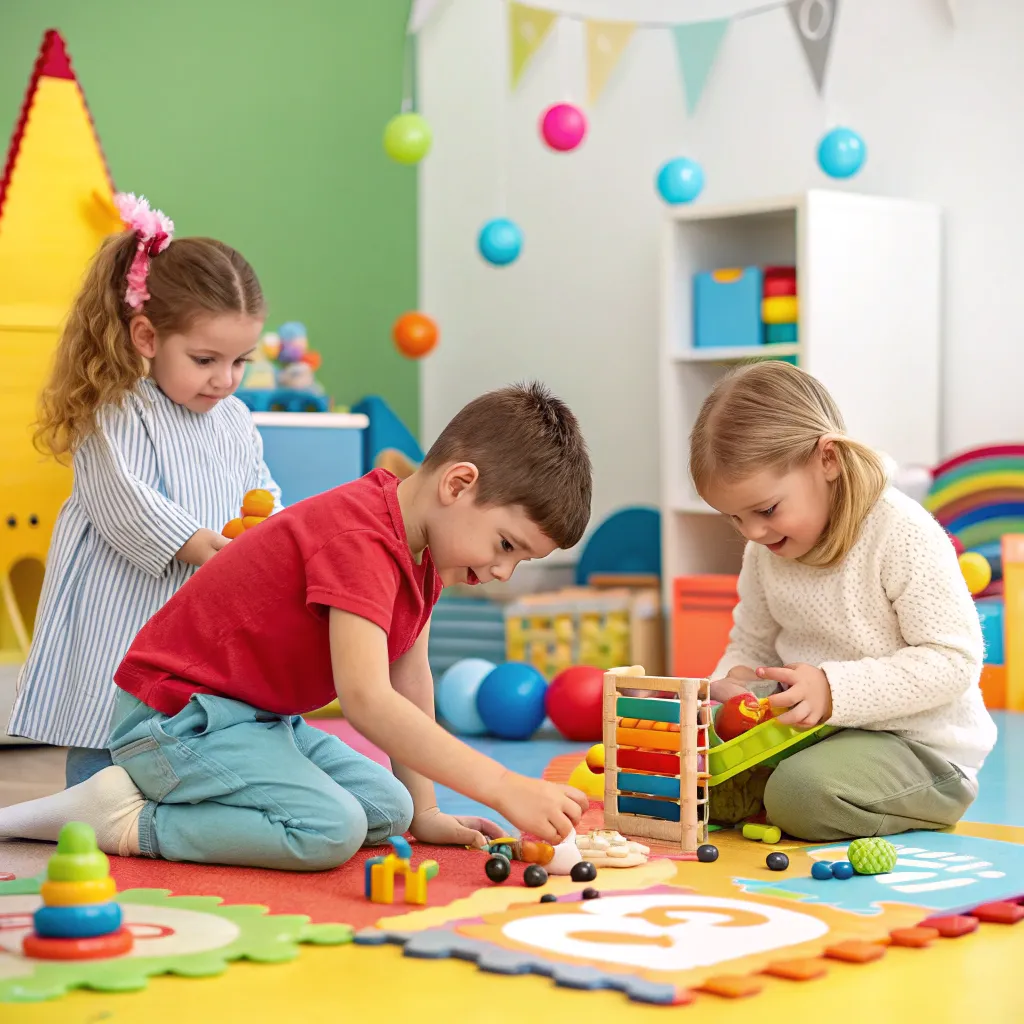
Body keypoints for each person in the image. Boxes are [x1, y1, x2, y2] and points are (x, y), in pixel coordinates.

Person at [0, 382, 593, 871]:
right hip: (177, 719)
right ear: (458, 484)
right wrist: (503, 786)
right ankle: (124, 817)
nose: (502, 572)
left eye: (520, 560)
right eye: (506, 545)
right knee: (329, 831)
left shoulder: (426, 554)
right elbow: (367, 700)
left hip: (255, 722)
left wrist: (427, 809)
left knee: (388, 810)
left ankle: (182, 795)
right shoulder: (363, 539)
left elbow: (409, 686)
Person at [6, 193, 280, 787]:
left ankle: (160, 814)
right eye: (206, 359)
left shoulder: (231, 417)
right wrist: (200, 542)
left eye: (241, 362)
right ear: (147, 336)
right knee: (107, 718)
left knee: (175, 718)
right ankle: (85, 808)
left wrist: (269, 533)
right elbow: (125, 502)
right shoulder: (119, 407)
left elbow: (259, 487)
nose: (224, 380)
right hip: (122, 598)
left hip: (194, 596)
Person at [690, 360, 997, 842]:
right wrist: (731, 686)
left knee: (799, 795)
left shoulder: (902, 532)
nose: (752, 532)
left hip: (920, 747)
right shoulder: (764, 550)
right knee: (699, 779)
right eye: (734, 518)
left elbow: (953, 662)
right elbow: (751, 646)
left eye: (766, 510)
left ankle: (919, 802)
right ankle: (776, 787)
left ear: (826, 460)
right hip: (818, 732)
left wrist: (833, 690)